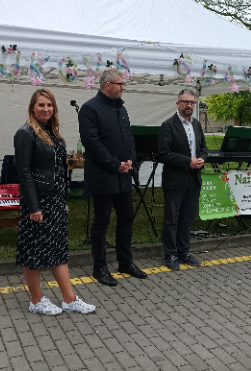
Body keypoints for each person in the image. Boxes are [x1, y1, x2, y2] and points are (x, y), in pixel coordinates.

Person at [14, 89, 96, 314]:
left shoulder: (52, 133)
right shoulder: (25, 133)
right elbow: (24, 173)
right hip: (38, 202)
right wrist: (33, 206)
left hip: (55, 201)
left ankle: (69, 299)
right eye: (41, 105)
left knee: (58, 251)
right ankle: (36, 300)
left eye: (49, 105)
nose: (46, 109)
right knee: (33, 252)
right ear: (32, 107)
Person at [78, 69, 148, 286]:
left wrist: (130, 160)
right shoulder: (90, 108)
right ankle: (99, 267)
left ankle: (125, 261)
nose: (123, 87)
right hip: (103, 176)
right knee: (102, 220)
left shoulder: (121, 109)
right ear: (108, 85)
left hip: (123, 175)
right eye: (120, 84)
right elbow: (92, 143)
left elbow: (129, 138)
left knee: (127, 216)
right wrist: (114, 164)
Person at [158, 89, 208, 270]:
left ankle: (184, 251)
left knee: (187, 218)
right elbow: (163, 153)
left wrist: (202, 159)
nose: (189, 105)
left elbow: (203, 148)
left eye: (192, 102)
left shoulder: (196, 125)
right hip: (175, 179)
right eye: (185, 102)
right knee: (172, 218)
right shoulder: (168, 125)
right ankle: (170, 253)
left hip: (194, 179)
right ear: (178, 103)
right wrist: (189, 161)